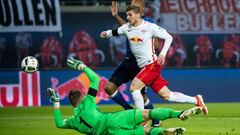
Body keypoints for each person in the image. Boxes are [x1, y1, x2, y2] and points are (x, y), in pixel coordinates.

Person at [48, 57, 203, 135]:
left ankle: (164, 132)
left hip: (112, 134)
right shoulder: (88, 101)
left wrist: (56, 103)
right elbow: (95, 79)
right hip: (114, 119)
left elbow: (58, 124)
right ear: (81, 97)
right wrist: (80, 66)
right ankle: (179, 114)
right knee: (146, 114)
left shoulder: (74, 122)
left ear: (72, 104)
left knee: (146, 131)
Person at [100, 5, 208, 115]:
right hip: (144, 67)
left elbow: (168, 37)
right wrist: (105, 34)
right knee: (167, 95)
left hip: (152, 65)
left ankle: (140, 117)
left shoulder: (150, 27)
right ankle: (196, 100)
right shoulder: (127, 27)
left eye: (130, 15)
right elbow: (114, 32)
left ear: (137, 15)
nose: (128, 17)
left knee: (134, 88)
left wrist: (163, 53)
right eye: (127, 15)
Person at [105, 1, 157, 125]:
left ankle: (156, 119)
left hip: (142, 65)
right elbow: (127, 28)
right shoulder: (130, 23)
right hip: (128, 62)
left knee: (142, 98)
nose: (133, 8)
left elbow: (157, 43)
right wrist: (116, 16)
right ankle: (129, 110)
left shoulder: (149, 22)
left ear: (142, 9)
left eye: (136, 6)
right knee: (109, 88)